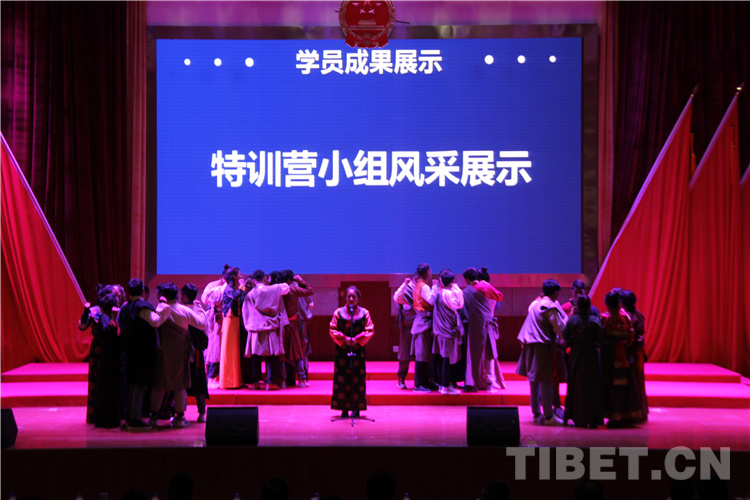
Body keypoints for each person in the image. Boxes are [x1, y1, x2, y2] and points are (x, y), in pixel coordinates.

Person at [149, 282, 208, 428]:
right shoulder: (184, 310)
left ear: (161, 296)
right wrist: (199, 308)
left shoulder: (159, 309)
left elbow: (153, 323)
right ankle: (180, 418)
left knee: (159, 385)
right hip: (180, 353)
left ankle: (153, 417)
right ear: (176, 295)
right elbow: (202, 324)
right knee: (180, 385)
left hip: (163, 353)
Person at [119, 278, 171, 429]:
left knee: (133, 384)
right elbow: (155, 321)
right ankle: (135, 419)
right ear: (143, 291)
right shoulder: (143, 306)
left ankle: (130, 416)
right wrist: (163, 305)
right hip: (142, 352)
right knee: (140, 384)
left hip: (129, 350)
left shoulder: (125, 307)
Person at [515, 279, 567, 424]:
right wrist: (564, 339)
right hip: (542, 346)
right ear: (555, 292)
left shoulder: (535, 305)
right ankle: (549, 416)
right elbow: (559, 328)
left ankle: (537, 414)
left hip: (528, 345)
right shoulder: (550, 306)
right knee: (546, 381)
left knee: (533, 381)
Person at [329, 286, 374, 417]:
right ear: (345, 298)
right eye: (349, 296)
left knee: (357, 378)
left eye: (354, 296)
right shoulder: (338, 312)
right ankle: (343, 409)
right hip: (342, 349)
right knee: (342, 378)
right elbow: (332, 329)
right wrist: (345, 339)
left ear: (358, 298)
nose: (351, 298)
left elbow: (369, 329)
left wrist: (356, 339)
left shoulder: (364, 312)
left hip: (358, 349)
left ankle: (357, 409)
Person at [600, 289, 642, 427]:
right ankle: (626, 415)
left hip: (609, 356)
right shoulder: (626, 317)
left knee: (611, 385)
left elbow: (600, 338)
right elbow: (631, 336)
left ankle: (613, 416)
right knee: (625, 384)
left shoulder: (604, 318)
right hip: (624, 354)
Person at [243, 269, 289, 390]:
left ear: (253, 281)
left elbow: (245, 312)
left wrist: (249, 325)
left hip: (255, 329)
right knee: (271, 356)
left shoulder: (249, 295)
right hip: (270, 328)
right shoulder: (272, 290)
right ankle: (270, 382)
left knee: (255, 357)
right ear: (265, 279)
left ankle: (255, 383)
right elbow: (286, 288)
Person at [562, 295, 605, 428]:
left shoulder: (571, 320)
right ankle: (593, 418)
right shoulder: (595, 321)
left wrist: (572, 343)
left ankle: (577, 417)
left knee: (576, 385)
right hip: (591, 355)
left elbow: (565, 335)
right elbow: (600, 340)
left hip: (576, 355)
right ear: (589, 306)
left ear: (578, 306)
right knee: (592, 385)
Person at [462, 267, 504, 392]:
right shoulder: (486, 288)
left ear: (467, 279)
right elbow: (499, 299)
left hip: (473, 326)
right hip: (488, 325)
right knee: (489, 354)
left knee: (473, 355)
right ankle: (490, 382)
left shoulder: (466, 292)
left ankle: (472, 383)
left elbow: (464, 312)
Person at [80, 284, 115, 424]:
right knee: (96, 379)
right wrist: (85, 313)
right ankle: (95, 414)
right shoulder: (93, 310)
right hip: (99, 347)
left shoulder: (114, 309)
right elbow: (81, 326)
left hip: (110, 346)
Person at [90, 291, 124, 428]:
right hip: (108, 357)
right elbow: (106, 333)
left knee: (112, 388)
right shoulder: (105, 317)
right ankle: (106, 420)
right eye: (116, 303)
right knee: (107, 388)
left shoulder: (109, 316)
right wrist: (114, 319)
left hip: (113, 355)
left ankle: (111, 418)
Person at [279, 270, 315, 388]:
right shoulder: (293, 289)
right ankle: (302, 379)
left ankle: (282, 381)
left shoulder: (276, 289)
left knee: (282, 354)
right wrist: (300, 280)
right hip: (293, 324)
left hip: (281, 325)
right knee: (298, 352)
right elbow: (310, 290)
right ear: (290, 280)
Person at [432, 269, 464, 394]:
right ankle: (445, 386)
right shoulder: (449, 294)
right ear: (452, 281)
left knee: (443, 358)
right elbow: (459, 304)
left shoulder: (439, 293)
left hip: (440, 330)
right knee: (447, 358)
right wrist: (457, 289)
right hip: (448, 331)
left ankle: (443, 385)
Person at [182, 283, 211, 423]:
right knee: (184, 383)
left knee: (196, 381)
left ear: (185, 296)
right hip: (184, 351)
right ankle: (183, 413)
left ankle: (199, 413)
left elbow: (203, 326)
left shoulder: (191, 310)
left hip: (194, 352)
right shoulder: (197, 310)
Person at [620, 289, 649, 423]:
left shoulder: (626, 316)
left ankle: (632, 414)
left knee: (632, 383)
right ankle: (641, 413)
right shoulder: (638, 314)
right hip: (638, 352)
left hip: (631, 351)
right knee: (639, 382)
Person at [410, 263, 439, 392]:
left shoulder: (418, 284)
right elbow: (431, 300)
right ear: (428, 272)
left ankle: (426, 382)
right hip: (423, 323)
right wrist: (435, 287)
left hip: (423, 321)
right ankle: (418, 384)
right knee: (421, 355)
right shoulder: (425, 286)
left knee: (426, 354)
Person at [201, 265, 229, 387]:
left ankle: (224, 376)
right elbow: (205, 299)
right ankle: (212, 377)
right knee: (214, 349)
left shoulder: (232, 286)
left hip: (229, 321)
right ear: (224, 277)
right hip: (215, 321)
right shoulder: (214, 286)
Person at [219, 267, 244, 390]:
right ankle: (228, 382)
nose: (241, 275)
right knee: (229, 350)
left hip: (234, 319)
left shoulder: (233, 287)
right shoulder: (229, 288)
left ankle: (235, 381)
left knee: (234, 350)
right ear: (234, 276)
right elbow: (235, 296)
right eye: (239, 274)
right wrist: (242, 286)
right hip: (229, 319)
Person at [393, 274, 417, 390]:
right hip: (407, 326)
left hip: (420, 326)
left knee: (422, 354)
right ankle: (401, 378)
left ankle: (422, 381)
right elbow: (397, 298)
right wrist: (404, 284)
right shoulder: (407, 289)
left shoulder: (423, 289)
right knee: (404, 354)